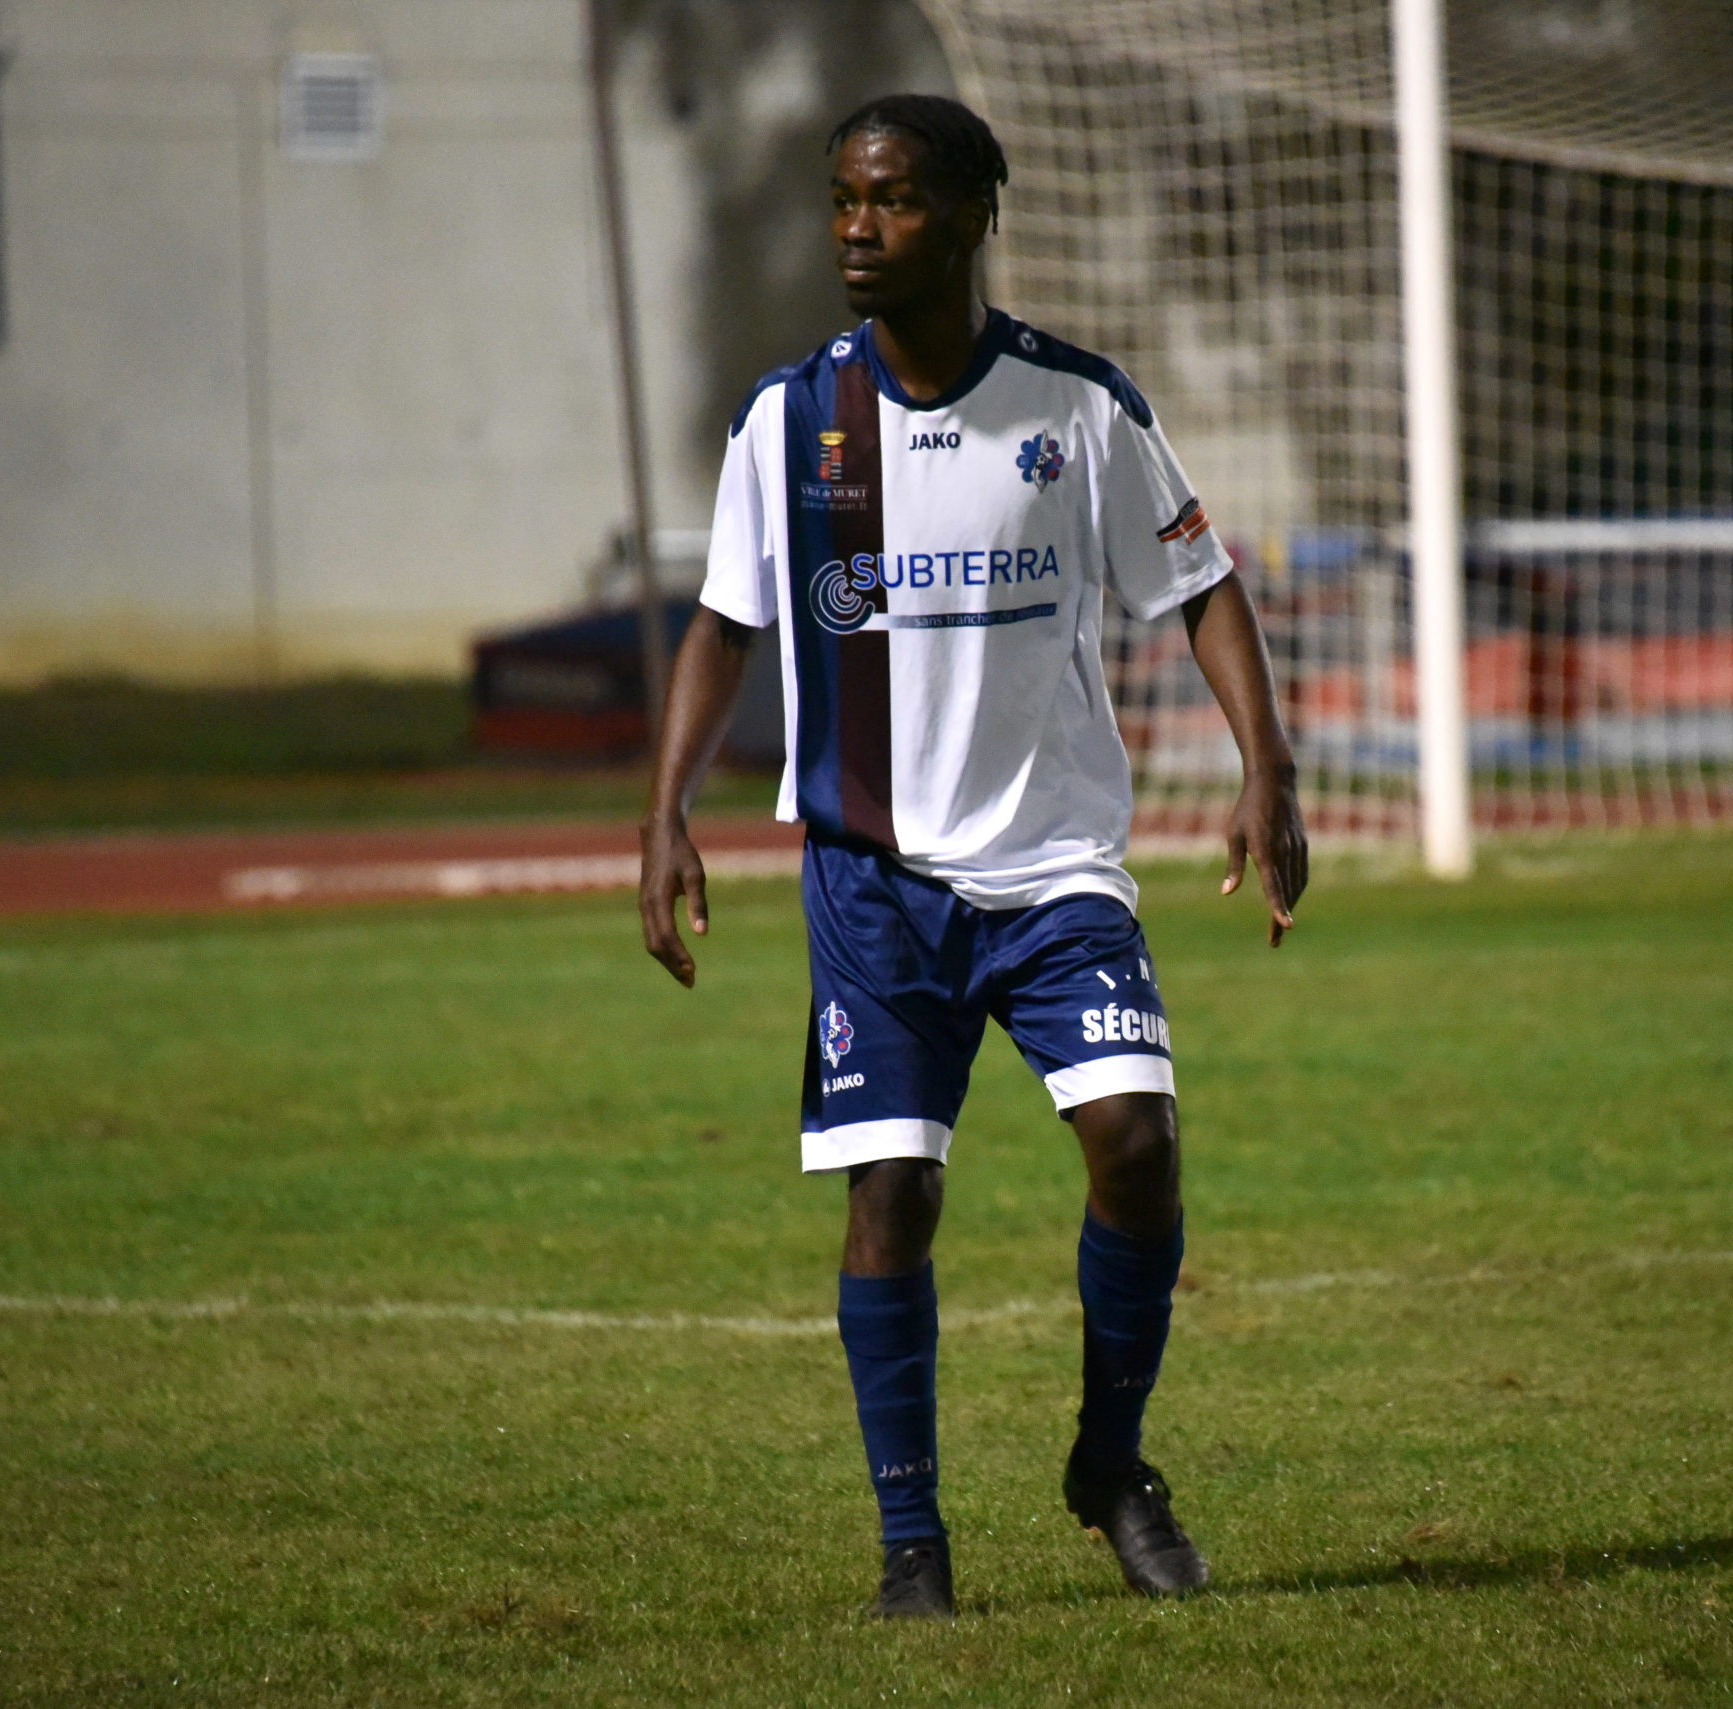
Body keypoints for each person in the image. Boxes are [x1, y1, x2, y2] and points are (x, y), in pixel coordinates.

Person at [638, 92, 1307, 1620]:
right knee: (892, 1191)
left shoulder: (1081, 408)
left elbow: (1201, 585)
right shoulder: (789, 418)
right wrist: (665, 807)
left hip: (1055, 865)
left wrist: (1265, 765)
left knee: (1137, 1142)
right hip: (875, 879)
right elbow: (725, 624)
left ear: (971, 213)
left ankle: (1110, 1464)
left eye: (892, 200)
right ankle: (912, 1546)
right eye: (843, 200)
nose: (858, 228)